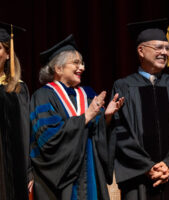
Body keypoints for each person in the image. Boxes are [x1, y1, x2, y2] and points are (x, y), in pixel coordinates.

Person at [110, 19, 169, 200]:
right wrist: (146, 167)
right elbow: (119, 131)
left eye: (168, 49)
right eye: (159, 48)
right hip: (139, 180)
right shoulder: (124, 87)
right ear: (141, 51)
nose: (164, 53)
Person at [29, 34, 124, 200]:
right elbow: (47, 138)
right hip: (61, 182)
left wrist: (106, 117)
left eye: (82, 63)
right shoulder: (43, 96)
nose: (82, 67)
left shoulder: (87, 96)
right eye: (76, 63)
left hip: (90, 175)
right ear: (58, 68)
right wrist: (85, 117)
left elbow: (98, 136)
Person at [0, 22, 32, 200]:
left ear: (7, 53)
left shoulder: (15, 90)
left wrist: (28, 170)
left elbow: (24, 132)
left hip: (7, 169)